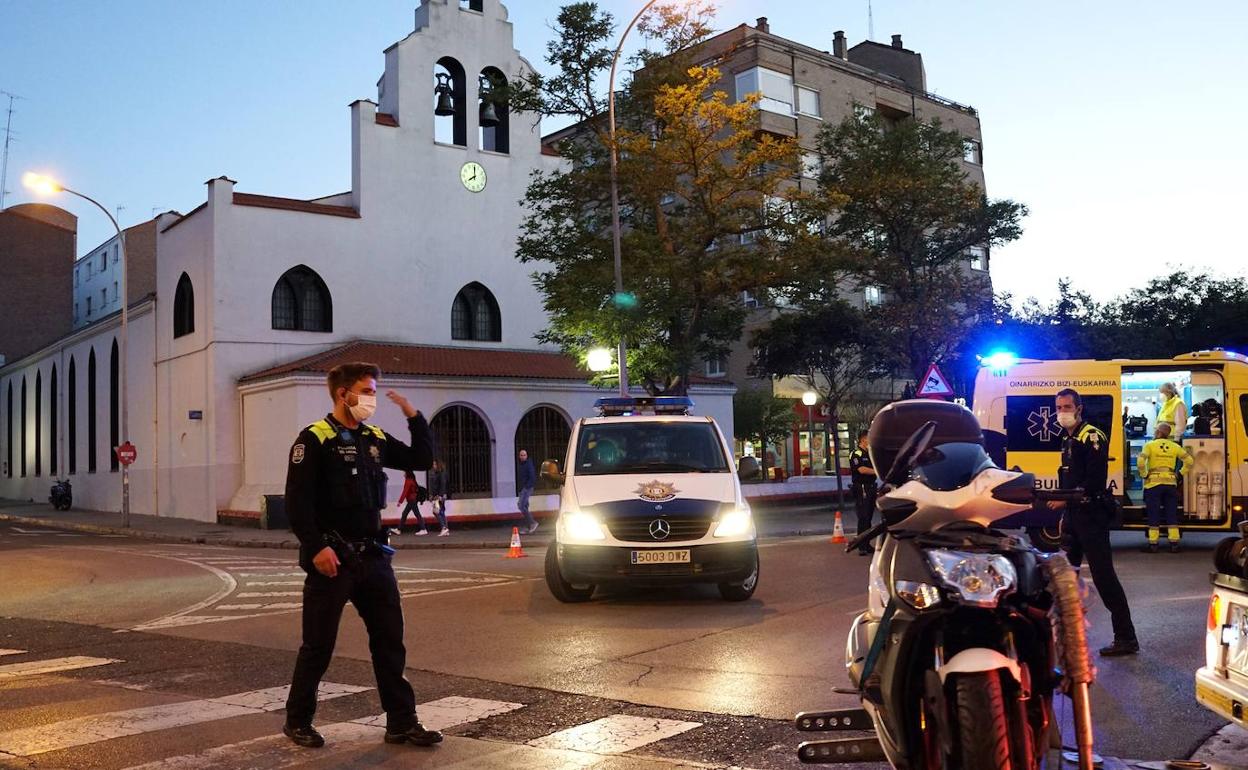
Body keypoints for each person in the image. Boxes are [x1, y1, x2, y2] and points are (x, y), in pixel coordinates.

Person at [282, 362, 442, 749]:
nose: (371, 398)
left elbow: (421, 459)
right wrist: (316, 546)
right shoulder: (315, 439)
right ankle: (298, 720)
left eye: (372, 391)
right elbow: (296, 503)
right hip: (333, 559)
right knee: (318, 646)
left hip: (373, 557)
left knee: (390, 641)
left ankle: (402, 723)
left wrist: (413, 416)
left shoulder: (373, 437)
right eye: (366, 391)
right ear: (343, 394)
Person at [1047, 387, 1139, 656]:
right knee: (1066, 576)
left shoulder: (1092, 437)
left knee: (1104, 577)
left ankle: (1126, 638)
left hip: (1092, 516)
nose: (1062, 412)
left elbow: (1094, 482)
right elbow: (1069, 479)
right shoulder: (1067, 439)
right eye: (1058, 407)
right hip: (1074, 517)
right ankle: (1067, 633)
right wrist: (1065, 510)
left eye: (1066, 407)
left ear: (1079, 408)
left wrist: (1066, 500)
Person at [1137, 422, 1193, 553]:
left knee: (1153, 513)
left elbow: (1140, 461)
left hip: (1154, 484)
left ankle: (1153, 544)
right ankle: (1174, 543)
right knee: (1171, 514)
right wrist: (1180, 474)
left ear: (1158, 432)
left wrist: (1144, 474)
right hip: (1170, 483)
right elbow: (1189, 461)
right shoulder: (1174, 446)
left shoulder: (1149, 445)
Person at [848, 430, 877, 555]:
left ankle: (867, 543)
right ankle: (861, 546)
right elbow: (861, 469)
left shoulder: (870, 453)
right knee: (863, 517)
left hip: (871, 487)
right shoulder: (856, 454)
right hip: (862, 488)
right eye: (869, 438)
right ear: (863, 439)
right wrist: (877, 471)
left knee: (869, 516)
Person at [397, 470, 427, 535]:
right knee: (405, 513)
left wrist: (400, 502)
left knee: (416, 514)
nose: (403, 474)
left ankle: (423, 529)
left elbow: (405, 491)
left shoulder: (408, 480)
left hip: (412, 500)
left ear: (407, 473)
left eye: (404, 472)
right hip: (413, 500)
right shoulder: (412, 479)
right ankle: (399, 529)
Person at [516, 449, 538, 533]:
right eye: (521, 455)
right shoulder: (520, 465)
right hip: (522, 488)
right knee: (525, 506)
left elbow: (532, 477)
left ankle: (532, 523)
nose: (522, 457)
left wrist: (526, 487)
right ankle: (529, 527)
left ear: (527, 456)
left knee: (521, 506)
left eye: (524, 455)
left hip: (527, 488)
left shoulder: (528, 464)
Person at [427, 459, 450, 536]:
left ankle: (444, 528)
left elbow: (442, 485)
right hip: (440, 495)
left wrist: (439, 495)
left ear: (438, 465)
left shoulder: (441, 474)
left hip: (439, 496)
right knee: (441, 512)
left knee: (436, 511)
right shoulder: (439, 473)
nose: (433, 466)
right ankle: (446, 529)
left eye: (434, 464)